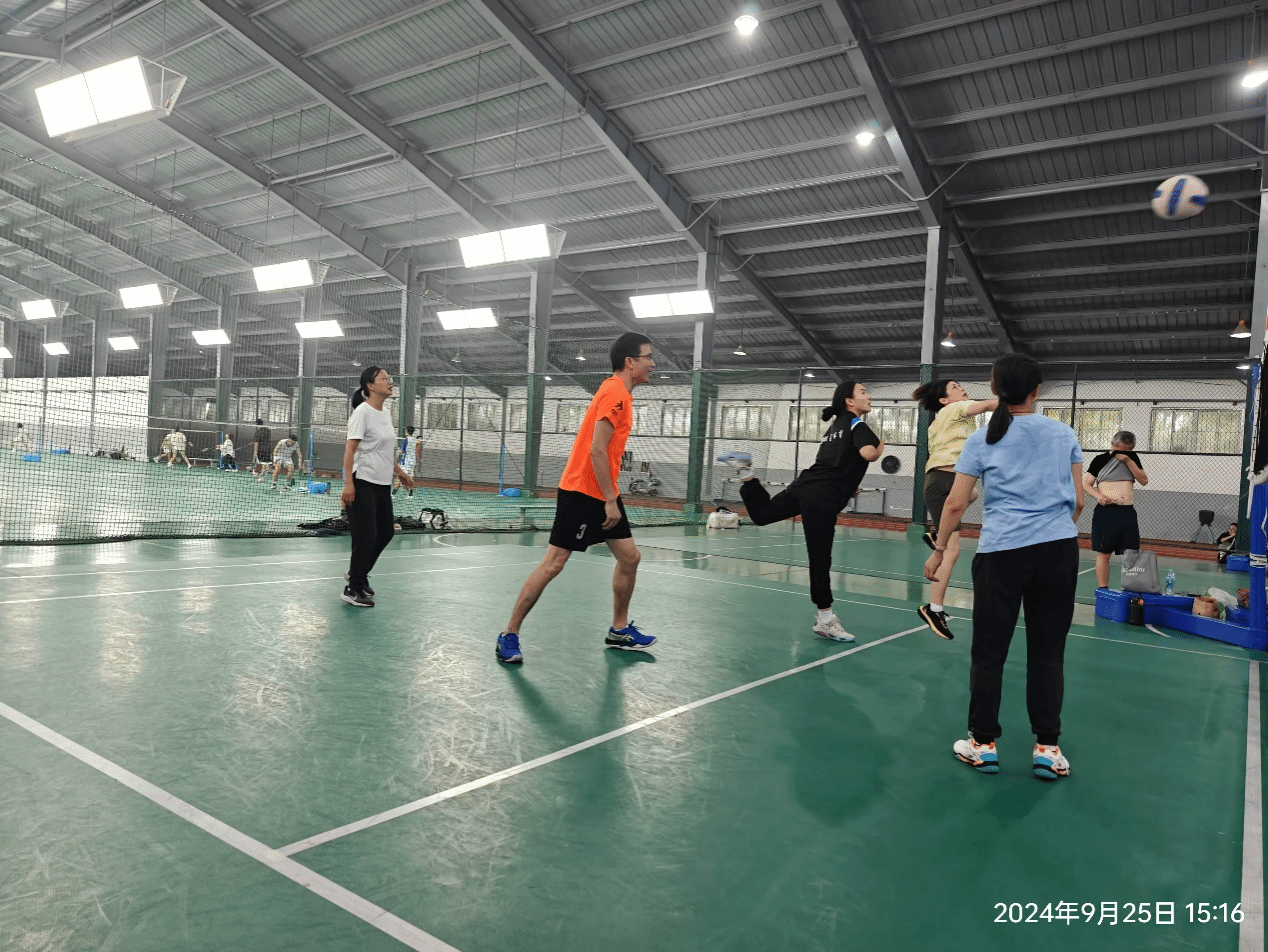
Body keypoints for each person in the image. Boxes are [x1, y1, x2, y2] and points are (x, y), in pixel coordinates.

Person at [924, 354, 1084, 782]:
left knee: (989, 652)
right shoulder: (1063, 433)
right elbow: (1078, 501)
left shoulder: (980, 439)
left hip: (1001, 555)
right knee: (1048, 654)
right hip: (1058, 553)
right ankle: (1048, 750)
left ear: (994, 390)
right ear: (1037, 391)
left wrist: (939, 550)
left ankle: (982, 745)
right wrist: (1051, 530)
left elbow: (955, 503)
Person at [495, 333, 658, 664]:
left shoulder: (619, 392)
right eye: (648, 357)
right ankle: (508, 634)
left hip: (603, 490)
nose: (653, 364)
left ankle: (619, 629)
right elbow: (597, 449)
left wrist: (609, 495)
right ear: (630, 362)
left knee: (630, 557)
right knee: (554, 563)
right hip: (582, 491)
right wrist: (610, 500)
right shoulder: (616, 393)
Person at [716, 380, 884, 643]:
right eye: (863, 392)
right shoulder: (857, 425)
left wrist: (848, 485)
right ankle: (825, 620)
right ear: (849, 401)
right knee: (820, 558)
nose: (869, 396)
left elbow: (835, 463)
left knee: (762, 515)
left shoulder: (833, 428)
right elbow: (868, 454)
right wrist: (881, 447)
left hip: (806, 485)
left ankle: (745, 471)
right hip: (822, 497)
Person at [911, 380, 998, 640]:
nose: (961, 389)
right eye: (955, 387)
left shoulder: (945, 421)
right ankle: (933, 608)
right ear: (944, 400)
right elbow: (988, 405)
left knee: (973, 494)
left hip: (950, 480)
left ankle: (937, 533)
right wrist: (1013, 401)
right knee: (951, 551)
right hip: (945, 481)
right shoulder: (954, 409)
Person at [341, 367, 414, 607]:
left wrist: (400, 472)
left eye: (389, 379)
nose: (389, 382)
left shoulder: (385, 413)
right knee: (366, 536)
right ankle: (353, 589)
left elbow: (383, 451)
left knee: (386, 532)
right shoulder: (362, 413)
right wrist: (348, 484)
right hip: (363, 479)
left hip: (382, 482)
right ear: (370, 386)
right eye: (384, 379)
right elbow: (350, 450)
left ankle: (358, 574)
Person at [1083, 431, 1148, 589]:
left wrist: (1128, 460)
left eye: (1127, 450)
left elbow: (1144, 480)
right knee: (1104, 553)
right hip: (1106, 512)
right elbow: (1087, 484)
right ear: (1113, 444)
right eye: (1119, 449)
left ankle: (1132, 590)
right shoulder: (1100, 459)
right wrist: (1099, 496)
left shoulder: (1132, 458)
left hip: (1127, 512)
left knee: (1132, 553)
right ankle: (1103, 589)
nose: (1122, 453)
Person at [394, 425, 419, 496]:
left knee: (400, 476)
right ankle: (410, 494)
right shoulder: (415, 440)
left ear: (407, 432)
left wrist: (397, 452)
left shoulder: (405, 440)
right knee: (410, 477)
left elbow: (401, 451)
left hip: (406, 462)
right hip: (412, 462)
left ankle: (393, 493)